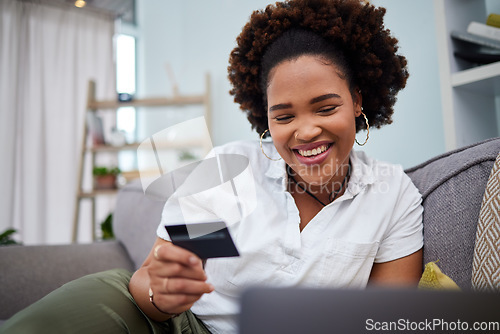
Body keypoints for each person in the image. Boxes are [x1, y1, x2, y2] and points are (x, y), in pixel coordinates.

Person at [0, 0, 423, 333]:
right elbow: (151, 279)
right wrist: (161, 294)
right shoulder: (231, 170)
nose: (306, 131)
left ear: (358, 101)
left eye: (326, 107)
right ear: (265, 118)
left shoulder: (391, 195)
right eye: (284, 116)